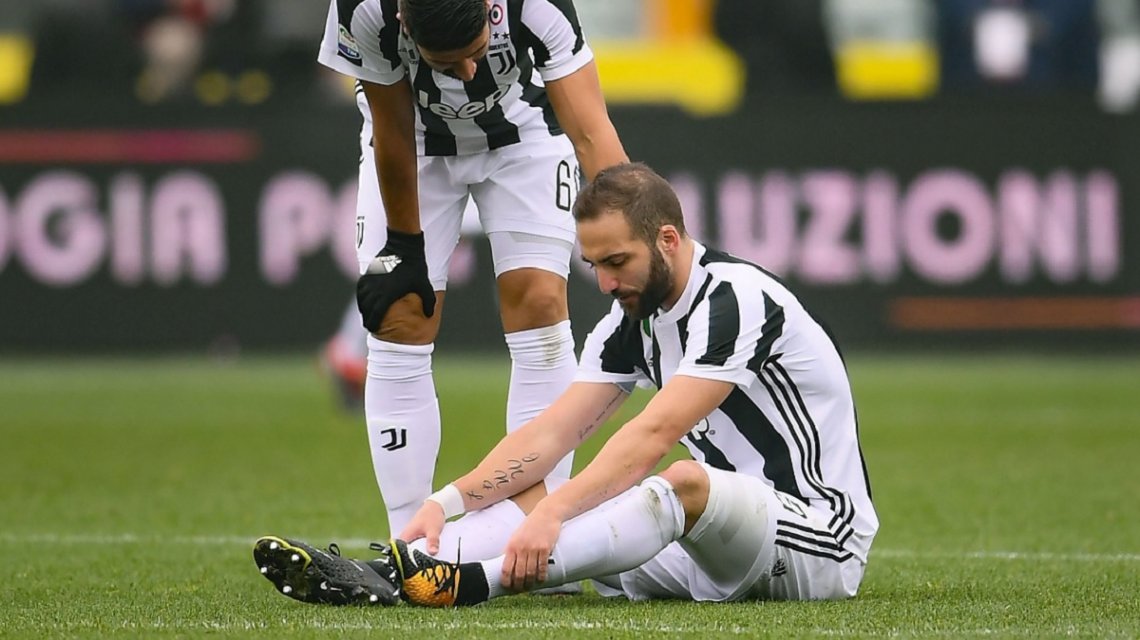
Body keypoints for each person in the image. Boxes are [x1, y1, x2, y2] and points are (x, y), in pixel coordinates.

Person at [254, 163, 878, 607]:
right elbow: (551, 434)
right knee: (554, 497)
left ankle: (472, 584)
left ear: (667, 239)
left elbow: (654, 433)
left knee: (675, 482)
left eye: (617, 262)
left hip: (817, 541)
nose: (604, 284)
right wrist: (447, 502)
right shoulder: (631, 318)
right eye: (594, 266)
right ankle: (397, 572)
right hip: (712, 544)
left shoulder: (735, 300)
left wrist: (555, 512)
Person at [315, 0, 628, 535]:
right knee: (399, 315)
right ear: (404, 23)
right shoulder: (363, 8)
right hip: (413, 141)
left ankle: (535, 527)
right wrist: (405, 245)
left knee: (539, 302)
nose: (466, 72)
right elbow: (391, 125)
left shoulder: (536, 3)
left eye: (477, 51)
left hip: (524, 133)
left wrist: (630, 233)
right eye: (444, 62)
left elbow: (591, 130)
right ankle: (409, 542)